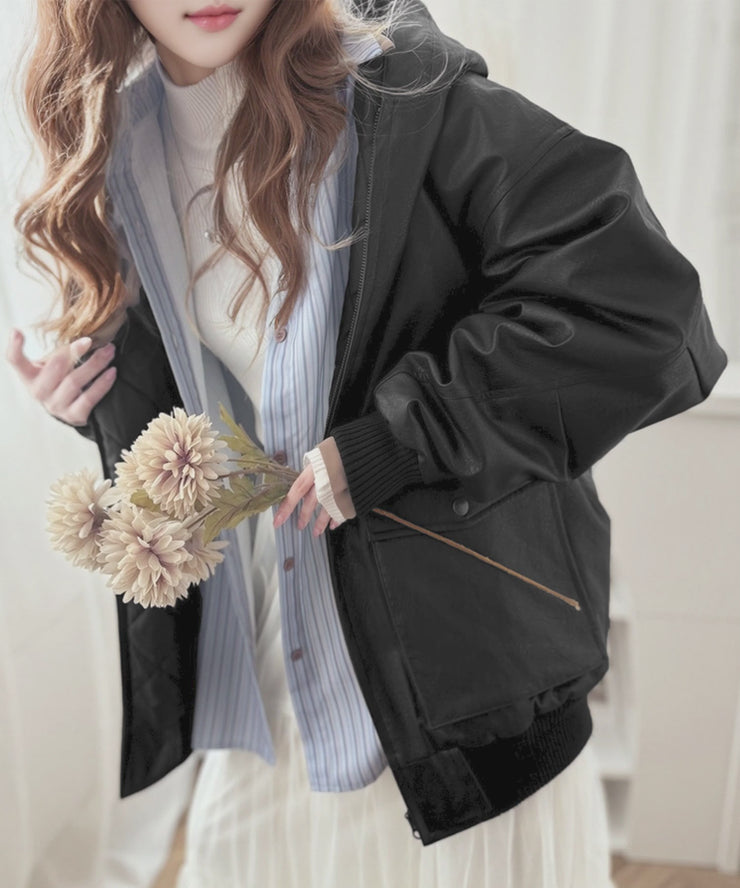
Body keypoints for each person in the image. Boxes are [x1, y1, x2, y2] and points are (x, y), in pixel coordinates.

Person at [7, 0, 727, 885]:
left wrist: (394, 440)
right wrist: (95, 399)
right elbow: (232, 402)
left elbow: (641, 306)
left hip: (457, 688)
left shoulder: (406, 98)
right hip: (278, 678)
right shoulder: (125, 147)